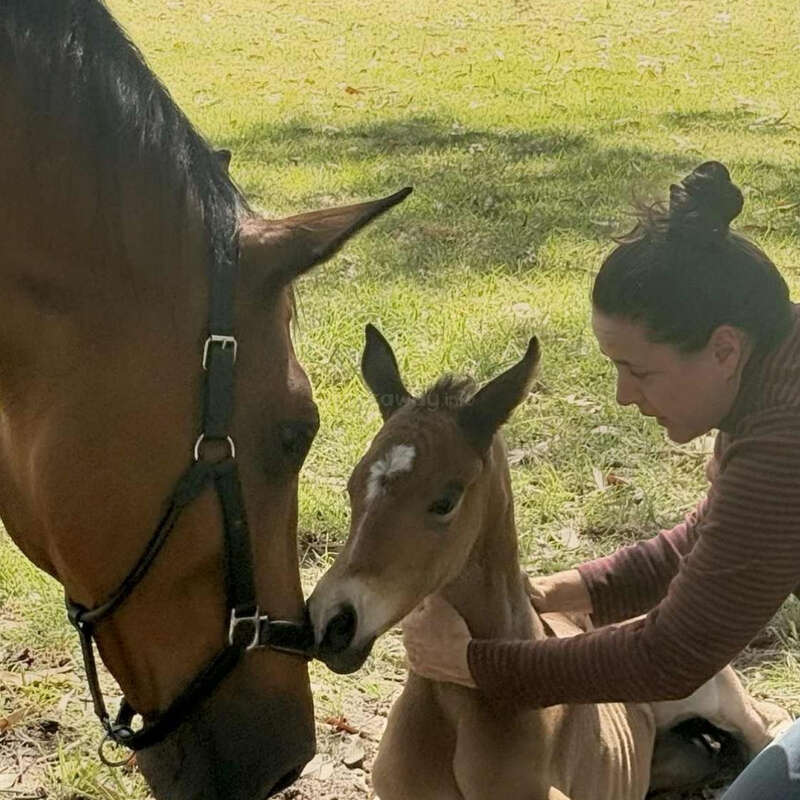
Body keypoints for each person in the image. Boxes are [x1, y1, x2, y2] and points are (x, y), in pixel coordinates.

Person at [401, 161, 800, 798]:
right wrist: (575, 589)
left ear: (724, 348)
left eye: (639, 371)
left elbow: (670, 657)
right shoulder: (773, 368)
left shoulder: (785, 441)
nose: (621, 396)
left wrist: (475, 664)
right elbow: (717, 537)